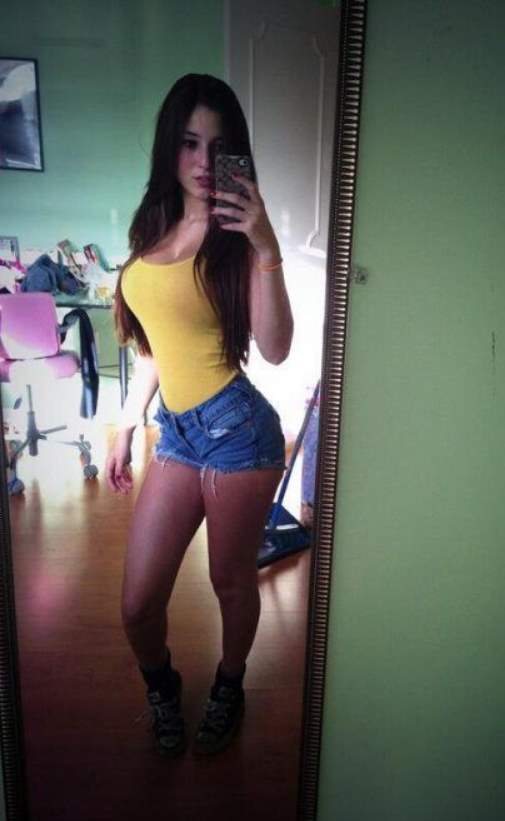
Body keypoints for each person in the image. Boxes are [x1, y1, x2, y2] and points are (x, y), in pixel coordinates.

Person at [105, 73, 293, 758]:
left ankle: (230, 682)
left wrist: (266, 247)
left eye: (218, 146)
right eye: (189, 142)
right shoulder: (151, 224)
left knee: (229, 581)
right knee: (137, 602)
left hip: (238, 432)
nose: (203, 161)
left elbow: (275, 347)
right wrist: (129, 420)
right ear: (170, 146)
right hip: (178, 432)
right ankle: (162, 683)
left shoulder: (238, 236)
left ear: (235, 151)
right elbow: (156, 344)